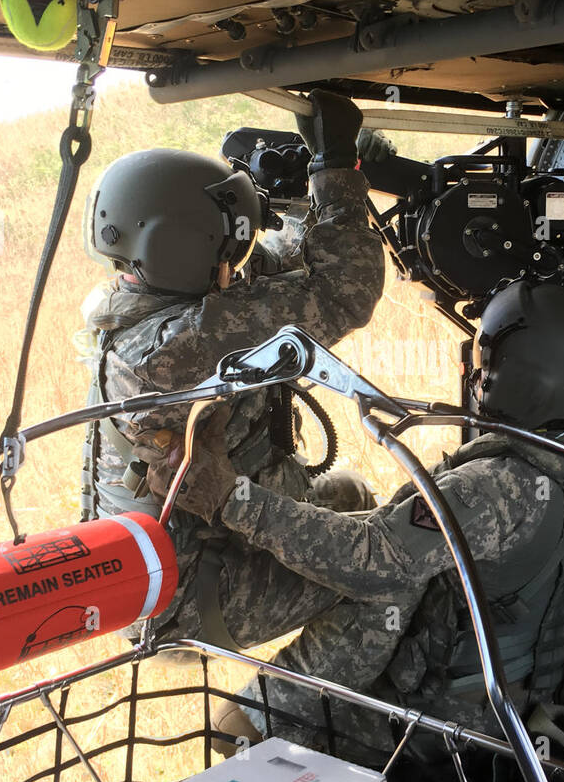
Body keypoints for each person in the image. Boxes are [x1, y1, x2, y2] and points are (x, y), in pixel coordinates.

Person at [212, 279, 564, 767]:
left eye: (488, 366)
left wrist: (232, 498)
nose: (477, 377)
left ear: (525, 381)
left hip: (445, 732)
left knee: (233, 727)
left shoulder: (496, 486)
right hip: (529, 706)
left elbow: (368, 559)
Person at [78, 89, 386, 649]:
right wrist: (338, 173)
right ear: (184, 246)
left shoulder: (147, 303)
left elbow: (273, 279)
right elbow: (343, 293)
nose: (233, 263)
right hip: (193, 595)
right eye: (224, 250)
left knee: (349, 496)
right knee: (388, 567)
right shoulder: (177, 350)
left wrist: (301, 196)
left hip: (179, 562)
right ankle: (275, 710)